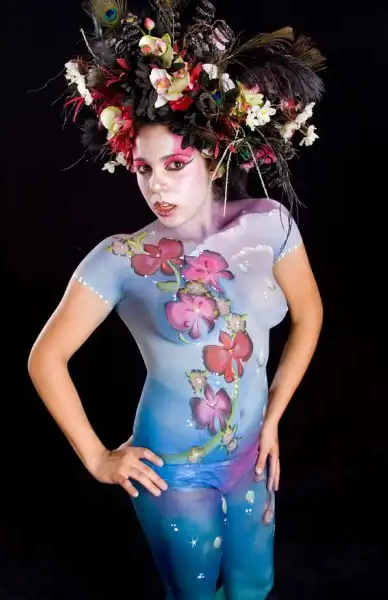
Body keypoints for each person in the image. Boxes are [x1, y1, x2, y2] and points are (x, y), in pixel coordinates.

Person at [28, 2, 325, 598]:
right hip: (171, 470)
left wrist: (273, 418)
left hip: (250, 455)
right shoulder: (121, 257)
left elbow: (309, 313)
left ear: (213, 154)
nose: (156, 184)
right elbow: (45, 358)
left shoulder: (269, 223)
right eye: (142, 168)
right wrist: (98, 457)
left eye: (175, 163)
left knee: (255, 585)